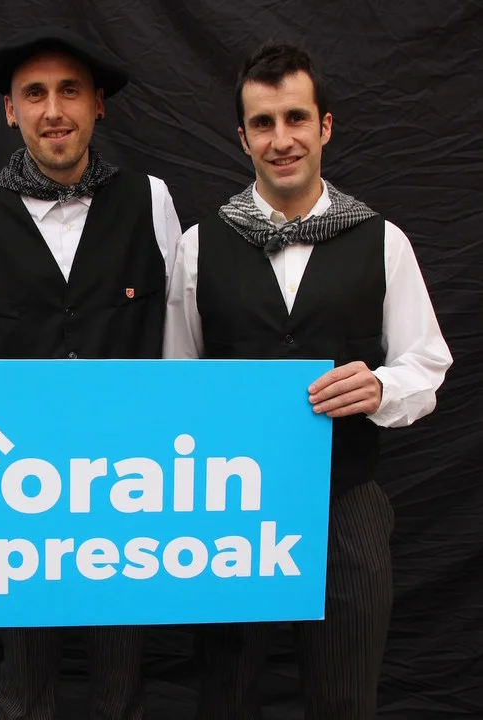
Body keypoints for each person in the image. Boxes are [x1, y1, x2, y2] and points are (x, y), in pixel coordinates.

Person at [163, 43, 452, 719]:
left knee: (345, 696)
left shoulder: (384, 241)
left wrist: (382, 389)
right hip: (229, 507)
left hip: (347, 500)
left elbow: (426, 362)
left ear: (324, 127)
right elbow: (179, 377)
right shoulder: (199, 245)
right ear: (243, 138)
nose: (281, 139)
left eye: (296, 118)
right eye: (263, 123)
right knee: (227, 694)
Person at [0, 26, 182, 720]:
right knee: (26, 670)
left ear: (98, 104)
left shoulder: (151, 199)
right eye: (34, 94)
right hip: (18, 481)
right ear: (11, 111)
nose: (53, 110)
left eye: (70, 91)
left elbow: (177, 333)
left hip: (128, 478)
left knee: (121, 667)